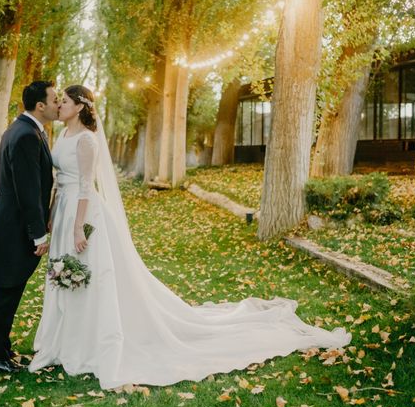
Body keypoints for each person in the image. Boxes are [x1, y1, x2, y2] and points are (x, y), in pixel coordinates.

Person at [29, 84, 351, 389]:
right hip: (64, 210)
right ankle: (69, 337)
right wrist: (53, 214)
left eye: (65, 102)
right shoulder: (62, 134)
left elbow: (86, 186)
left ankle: (92, 340)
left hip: (83, 215)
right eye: (60, 102)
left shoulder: (86, 139)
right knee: (67, 272)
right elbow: (61, 181)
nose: (60, 106)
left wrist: (76, 227)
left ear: (80, 107)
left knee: (90, 273)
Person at [0, 81, 59, 374]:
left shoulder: (27, 130)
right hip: (14, 221)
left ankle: (0, 349)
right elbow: (27, 189)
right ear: (40, 105)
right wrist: (38, 233)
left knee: (9, 287)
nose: (57, 104)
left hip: (10, 216)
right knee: (6, 287)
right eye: (54, 99)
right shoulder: (26, 134)